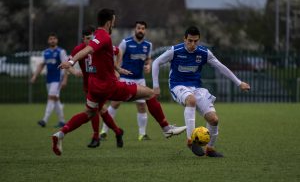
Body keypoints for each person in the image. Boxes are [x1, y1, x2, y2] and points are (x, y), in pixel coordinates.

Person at [52, 8, 186, 156]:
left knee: (89, 113)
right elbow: (88, 50)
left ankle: (61, 134)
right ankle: (166, 129)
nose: (114, 24)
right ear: (109, 22)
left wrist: (117, 68)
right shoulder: (103, 36)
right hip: (108, 86)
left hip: (94, 86)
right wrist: (71, 61)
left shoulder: (97, 35)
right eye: (114, 21)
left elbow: (103, 56)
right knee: (149, 93)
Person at [152, 26, 250, 157]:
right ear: (184, 39)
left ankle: (210, 149)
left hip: (196, 88)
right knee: (191, 100)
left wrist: (239, 83)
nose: (193, 44)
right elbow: (156, 62)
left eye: (196, 41)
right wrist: (156, 85)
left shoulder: (204, 53)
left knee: (214, 120)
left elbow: (221, 67)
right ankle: (191, 140)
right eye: (190, 41)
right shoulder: (175, 50)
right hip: (177, 85)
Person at [68, 26, 125, 148]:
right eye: (88, 38)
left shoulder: (99, 47)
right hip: (88, 85)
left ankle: (96, 137)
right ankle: (117, 132)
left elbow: (118, 51)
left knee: (96, 111)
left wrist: (116, 68)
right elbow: (69, 63)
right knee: (101, 110)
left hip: (101, 84)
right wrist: (74, 72)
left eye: (92, 38)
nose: (90, 41)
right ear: (83, 39)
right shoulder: (79, 49)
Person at [100, 21, 153, 141]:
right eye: (139, 28)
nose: (140, 30)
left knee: (142, 106)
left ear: (145, 31)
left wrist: (148, 65)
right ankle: (104, 131)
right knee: (115, 103)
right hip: (125, 78)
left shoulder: (148, 45)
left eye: (143, 28)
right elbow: (118, 56)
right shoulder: (125, 42)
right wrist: (117, 71)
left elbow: (149, 59)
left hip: (140, 79)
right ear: (135, 29)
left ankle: (142, 134)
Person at [31, 33, 68, 128]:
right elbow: (41, 65)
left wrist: (64, 79)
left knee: (51, 97)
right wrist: (35, 76)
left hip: (57, 79)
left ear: (57, 40)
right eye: (51, 39)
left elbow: (66, 65)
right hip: (49, 80)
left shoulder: (61, 51)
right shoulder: (45, 52)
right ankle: (62, 121)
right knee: (55, 99)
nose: (52, 40)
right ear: (48, 41)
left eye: (54, 38)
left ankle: (44, 120)